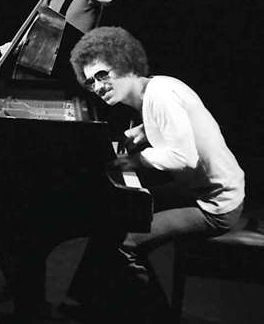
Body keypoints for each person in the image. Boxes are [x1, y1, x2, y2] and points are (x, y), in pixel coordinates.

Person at [64, 26, 245, 321]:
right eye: (90, 82)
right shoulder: (156, 88)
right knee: (115, 213)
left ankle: (157, 316)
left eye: (102, 75)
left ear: (125, 63)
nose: (97, 87)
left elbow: (183, 157)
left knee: (127, 243)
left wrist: (132, 162)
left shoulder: (160, 96)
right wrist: (146, 131)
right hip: (195, 191)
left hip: (215, 204)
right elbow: (183, 127)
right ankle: (85, 301)